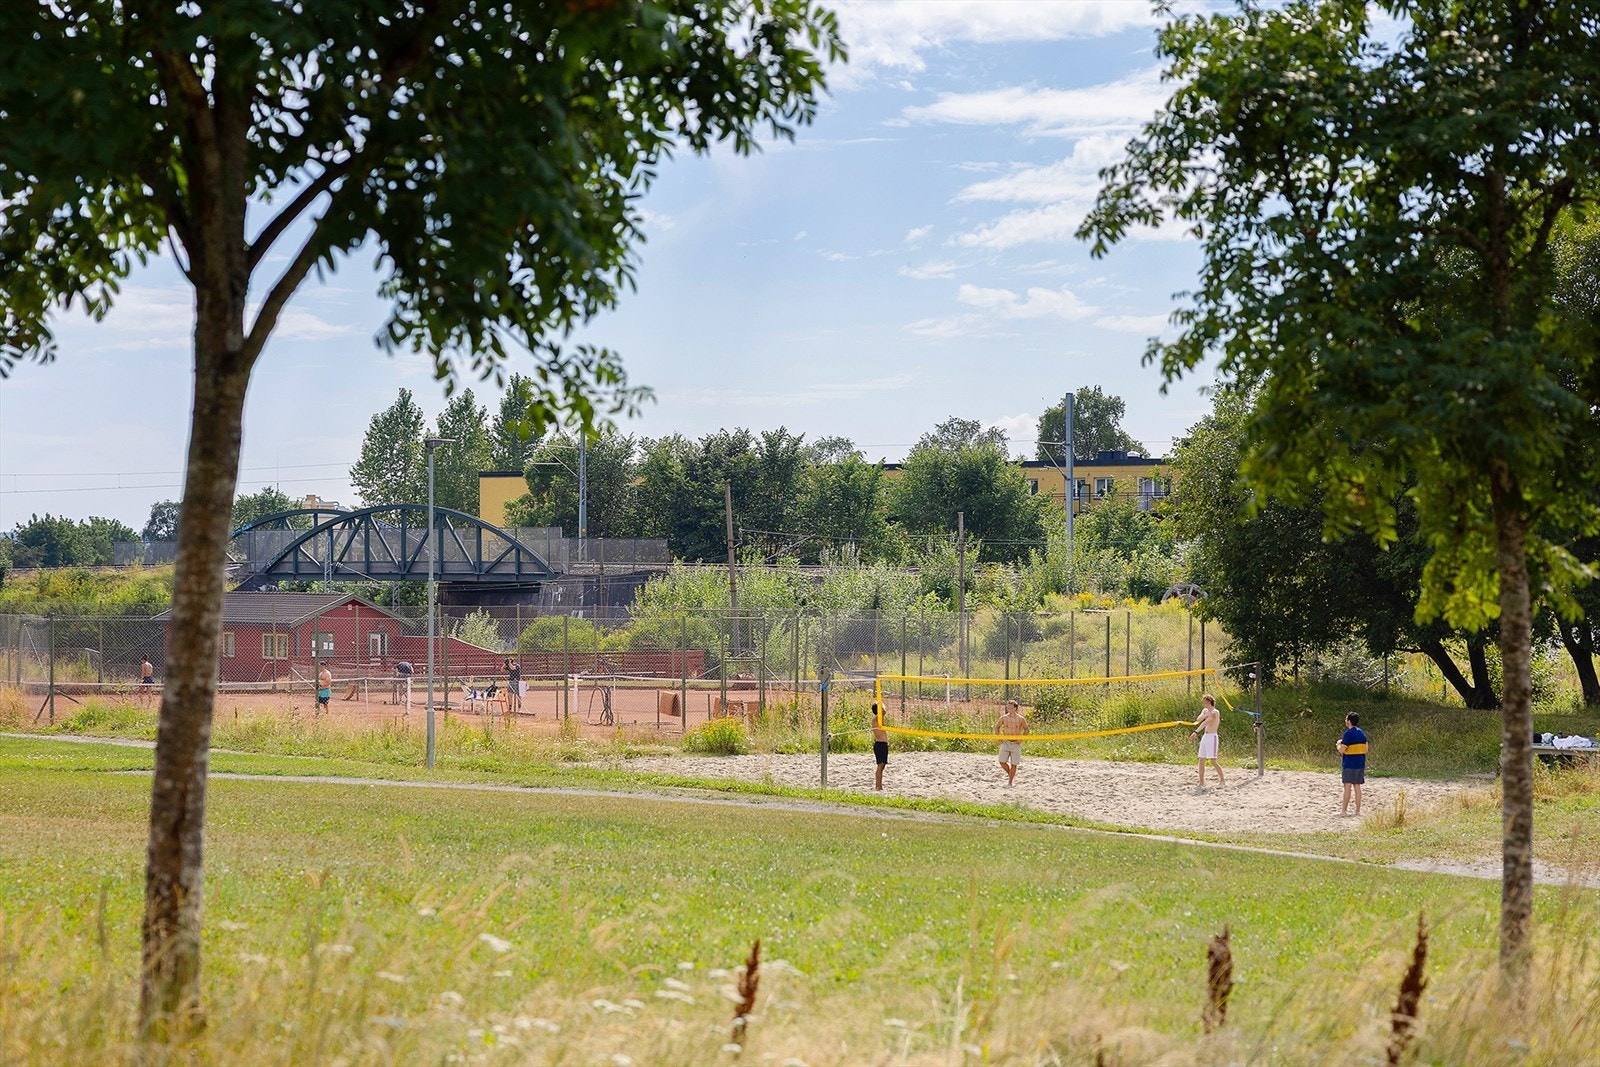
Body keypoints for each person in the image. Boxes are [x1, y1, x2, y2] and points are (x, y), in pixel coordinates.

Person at [1337, 712, 1368, 816]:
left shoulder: (1348, 734)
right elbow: (1366, 749)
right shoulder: (1362, 733)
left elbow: (1341, 750)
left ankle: (1344, 810)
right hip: (1360, 762)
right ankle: (1357, 811)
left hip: (1349, 763)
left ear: (1349, 721)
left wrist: (1338, 745)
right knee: (1357, 786)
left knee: (1347, 786)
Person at [1192, 694, 1224, 788]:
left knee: (1213, 760)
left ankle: (1222, 779)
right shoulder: (1205, 711)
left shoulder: (1215, 712)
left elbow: (1206, 721)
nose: (1203, 703)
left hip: (1212, 737)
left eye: (1205, 701)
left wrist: (1196, 732)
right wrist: (1205, 714)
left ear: (1209, 701)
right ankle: (1201, 782)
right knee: (1201, 759)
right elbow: (1199, 719)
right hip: (1205, 736)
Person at [996, 699, 1028, 786]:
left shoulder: (1021, 719)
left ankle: (1010, 782)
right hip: (1006, 742)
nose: (1009, 709)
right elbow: (997, 727)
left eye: (1011, 707)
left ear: (1015, 708)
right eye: (1008, 707)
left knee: (1014, 763)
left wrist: (1021, 739)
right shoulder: (1004, 718)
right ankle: (1011, 774)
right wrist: (998, 737)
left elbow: (1026, 729)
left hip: (1016, 743)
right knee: (1002, 761)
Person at [871, 700, 889, 791]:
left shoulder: (879, 719)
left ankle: (879, 785)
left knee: (882, 766)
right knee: (880, 766)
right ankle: (878, 786)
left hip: (883, 744)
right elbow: (884, 711)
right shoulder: (876, 719)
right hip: (880, 744)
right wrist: (881, 703)